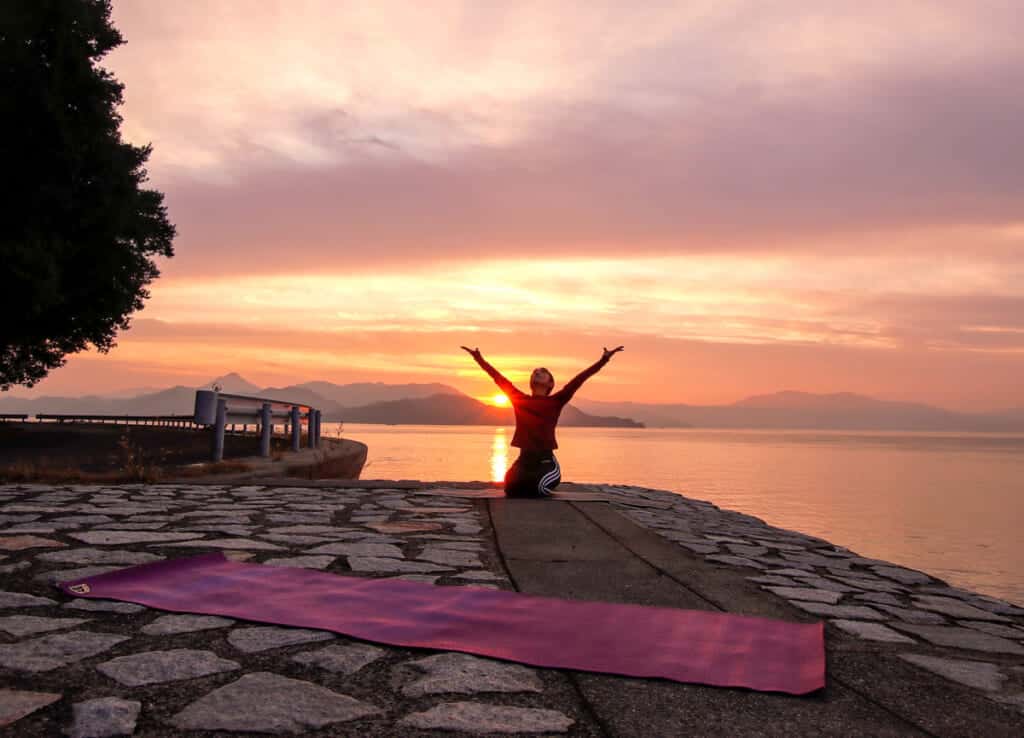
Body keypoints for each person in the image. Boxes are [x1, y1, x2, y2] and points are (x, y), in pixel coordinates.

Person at [460, 345, 624, 498]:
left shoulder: (557, 400)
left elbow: (581, 378)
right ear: (531, 382)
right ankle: (528, 481)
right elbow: (498, 378)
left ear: (550, 383)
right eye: (534, 372)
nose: (537, 372)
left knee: (539, 488)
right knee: (510, 490)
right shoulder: (519, 399)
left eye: (542, 372)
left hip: (545, 462)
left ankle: (549, 476)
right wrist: (479, 359)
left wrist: (604, 360)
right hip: (523, 461)